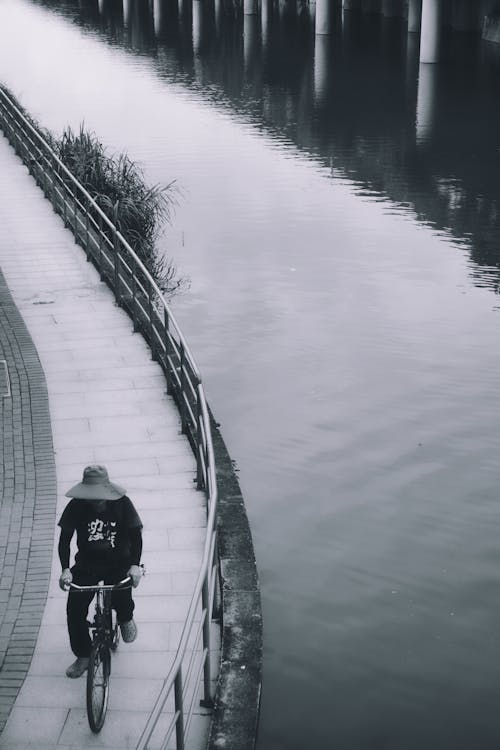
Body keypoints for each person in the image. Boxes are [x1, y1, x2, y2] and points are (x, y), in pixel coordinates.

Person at [58, 464, 143, 678]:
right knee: (74, 609)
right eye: (91, 496)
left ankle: (124, 617)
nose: (96, 501)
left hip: (118, 562)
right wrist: (65, 569)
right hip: (87, 563)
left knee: (122, 595)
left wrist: (135, 565)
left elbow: (136, 536)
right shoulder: (76, 506)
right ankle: (83, 655)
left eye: (99, 497)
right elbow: (65, 540)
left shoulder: (122, 503)